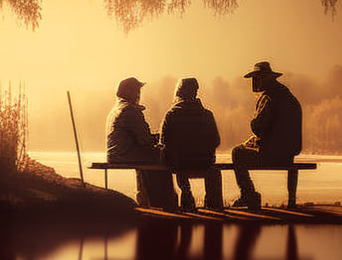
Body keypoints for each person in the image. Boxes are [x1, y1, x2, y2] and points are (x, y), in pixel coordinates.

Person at [232, 61, 302, 210]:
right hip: (289, 153)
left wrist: (252, 123)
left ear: (264, 78)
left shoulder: (268, 97)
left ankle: (248, 194)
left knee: (237, 152)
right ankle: (292, 200)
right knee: (244, 149)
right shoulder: (288, 96)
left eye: (256, 78)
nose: (254, 82)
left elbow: (258, 127)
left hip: (272, 153)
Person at [106, 76, 177, 210]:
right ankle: (164, 203)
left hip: (117, 153)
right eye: (137, 91)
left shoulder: (117, 108)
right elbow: (145, 140)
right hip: (126, 154)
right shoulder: (130, 111)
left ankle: (148, 201)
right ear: (131, 92)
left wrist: (154, 139)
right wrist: (160, 140)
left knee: (152, 156)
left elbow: (139, 138)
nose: (139, 94)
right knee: (162, 157)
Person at [160, 77, 223, 212]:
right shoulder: (207, 115)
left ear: (179, 93)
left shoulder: (171, 114)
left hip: (180, 163)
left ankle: (186, 195)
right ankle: (213, 205)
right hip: (204, 162)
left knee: (175, 159)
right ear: (195, 92)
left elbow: (163, 141)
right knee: (214, 171)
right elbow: (216, 141)